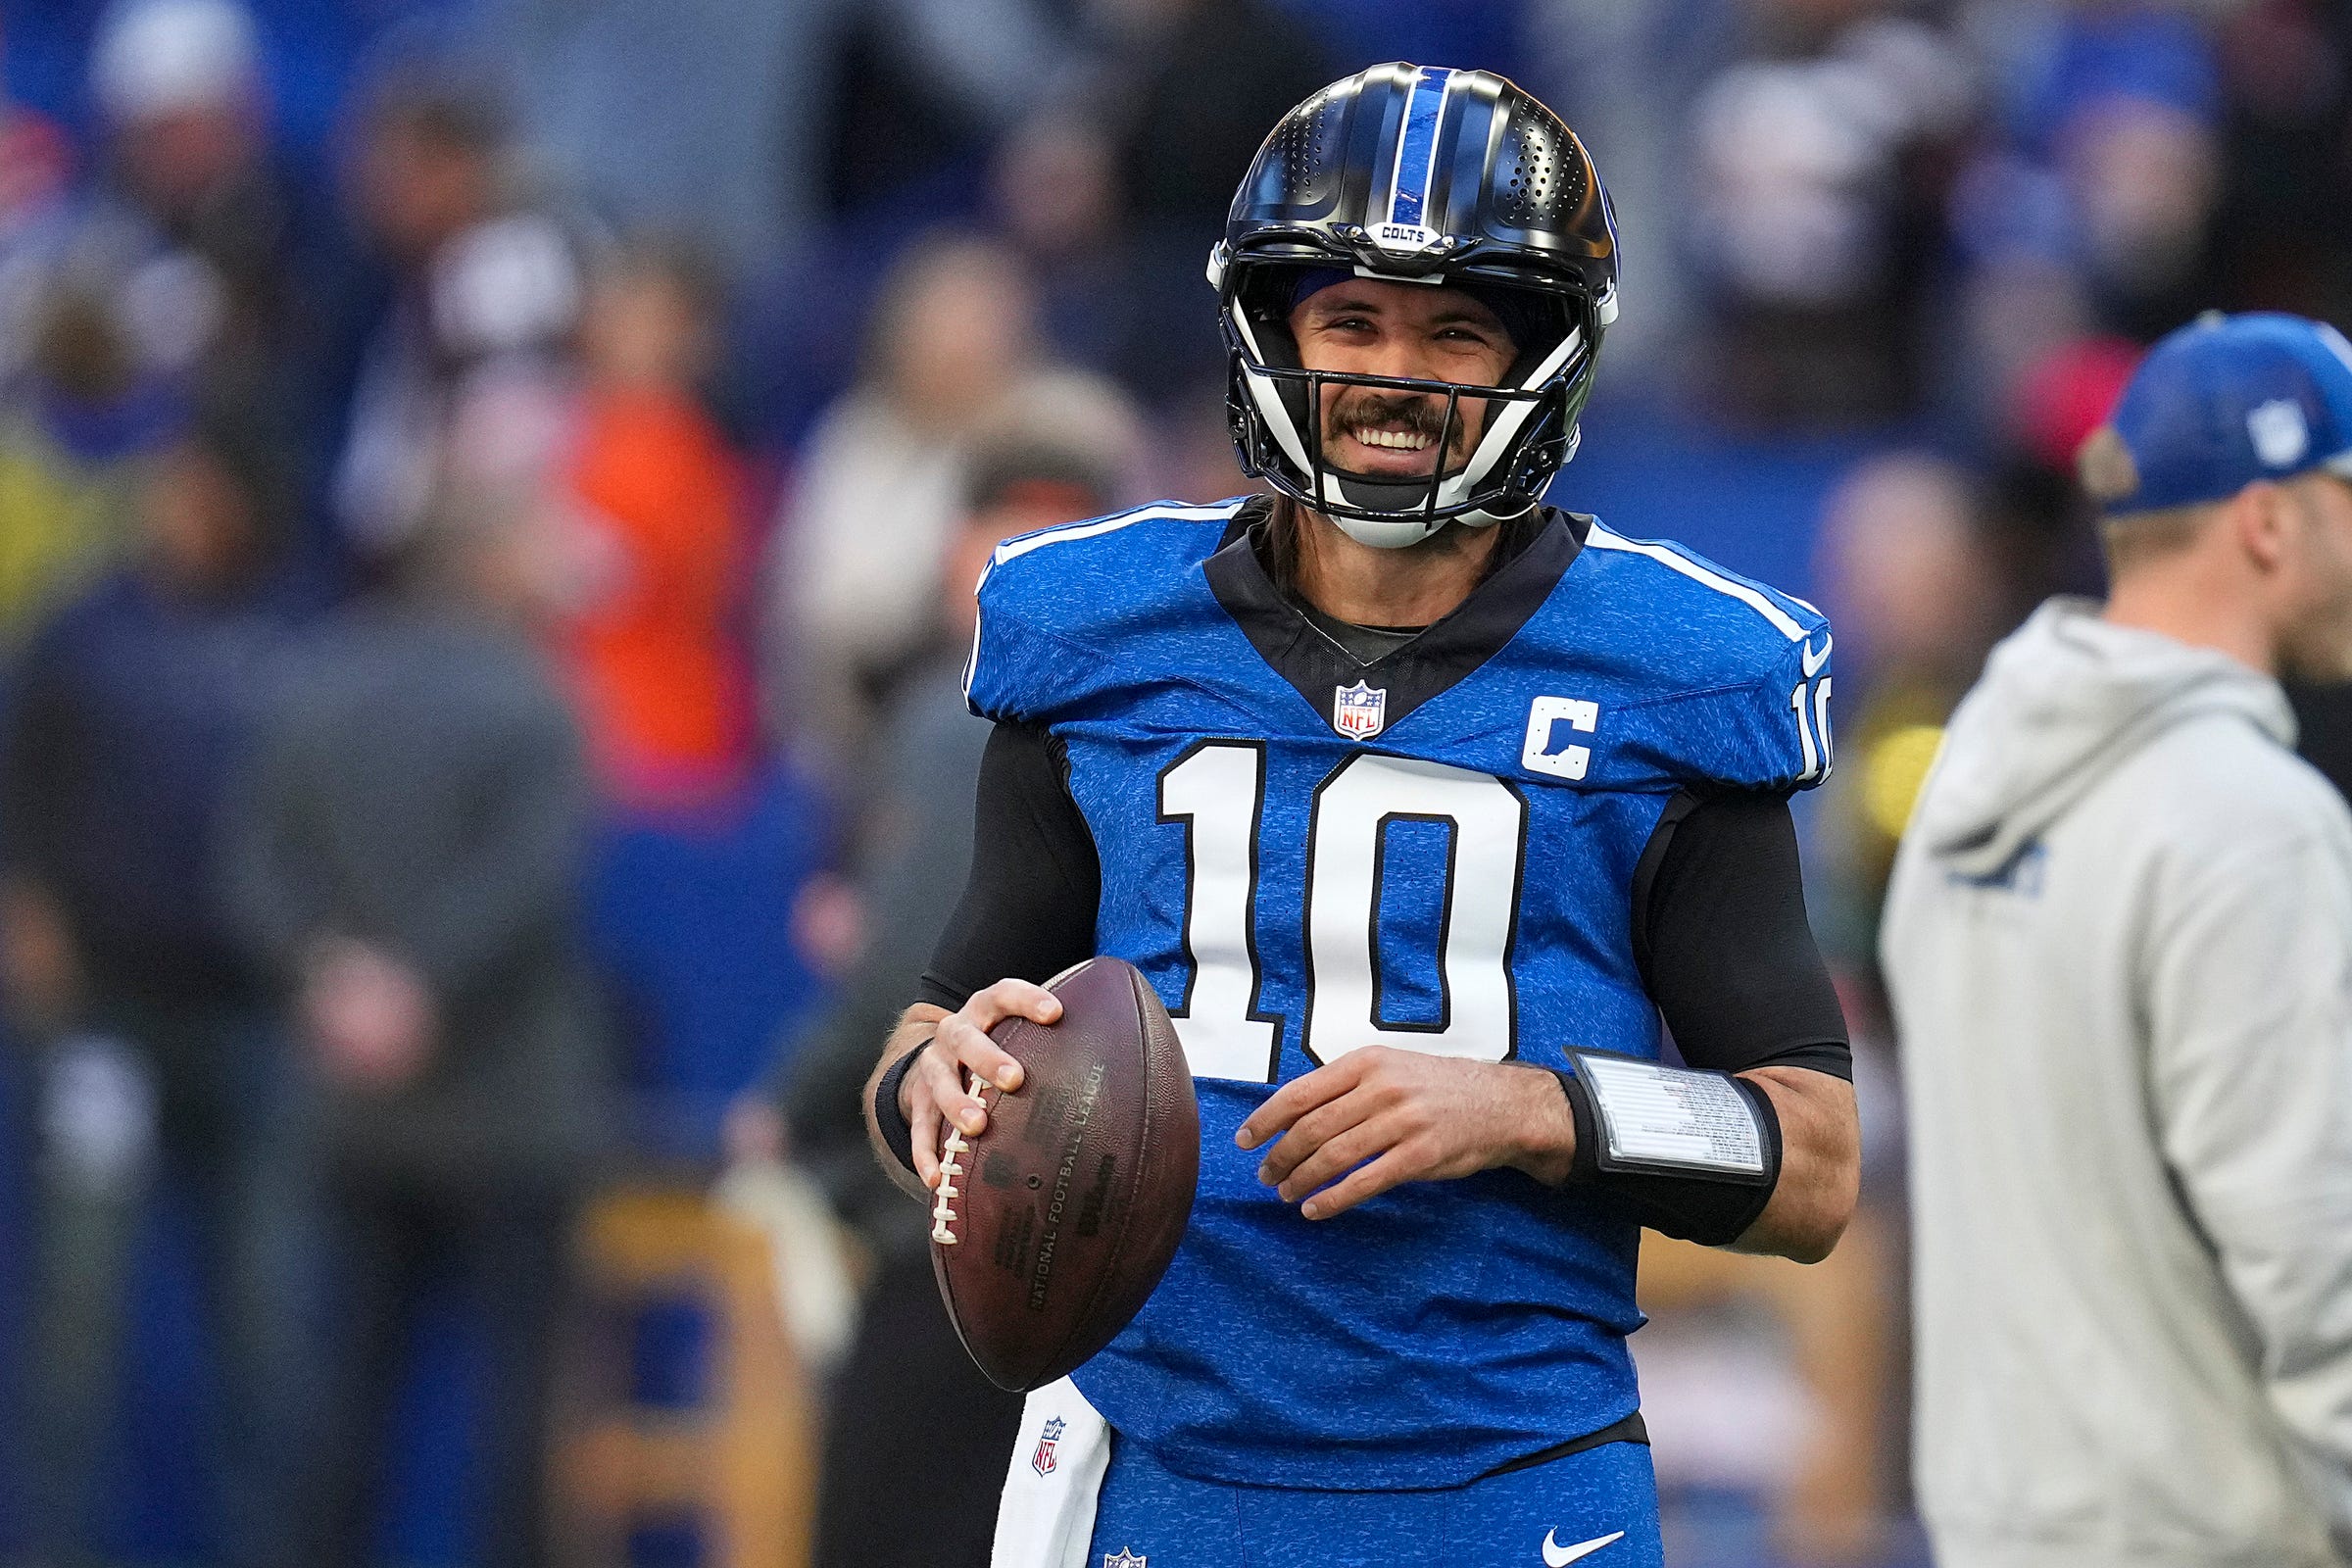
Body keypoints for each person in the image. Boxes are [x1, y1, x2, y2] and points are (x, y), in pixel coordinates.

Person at [861, 64, 1861, 1566]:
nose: (1398, 372)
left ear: (1550, 357)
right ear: (1274, 333)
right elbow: (925, 1042)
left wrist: (1532, 1107)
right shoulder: (1092, 630)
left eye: (1457, 326)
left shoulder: (1674, 669)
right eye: (1352, 321)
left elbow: (1815, 1162)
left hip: (1508, 1476)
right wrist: (928, 1096)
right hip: (1154, 1468)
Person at [1882, 311, 2352, 1568]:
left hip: (1996, 1522)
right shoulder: (2251, 819)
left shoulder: (1965, 781)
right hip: (2204, 1536)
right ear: (2269, 519)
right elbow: (2318, 1258)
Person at [222, 496, 609, 1568]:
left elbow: (255, 865)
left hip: (356, 1109)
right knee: (516, 1414)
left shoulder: (315, 682)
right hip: (510, 1114)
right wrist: (421, 987)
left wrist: (333, 976)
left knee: (340, 1399)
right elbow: (533, 879)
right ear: (488, 564)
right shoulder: (537, 697)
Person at [0, 396, 310, 1568]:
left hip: (250, 1011)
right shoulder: (83, 629)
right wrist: (26, 912)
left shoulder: (289, 632)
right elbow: (20, 782)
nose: (177, 508)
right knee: (78, 1322)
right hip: (105, 1015)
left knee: (270, 1324)